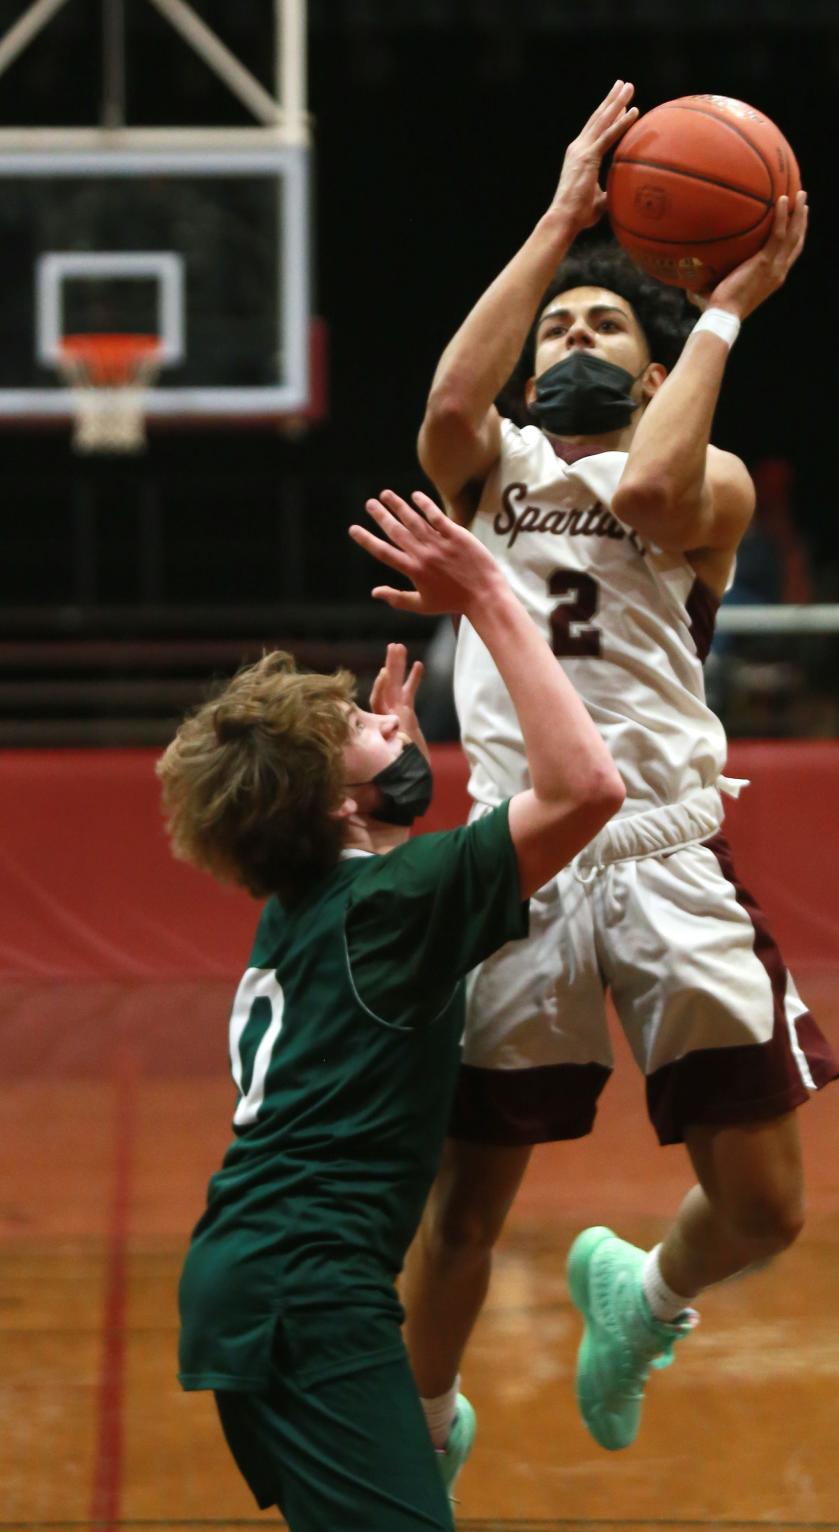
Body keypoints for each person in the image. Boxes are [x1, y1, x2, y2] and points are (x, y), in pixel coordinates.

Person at [404, 79, 839, 1466]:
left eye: (606, 321)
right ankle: (415, 1434)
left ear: (658, 374)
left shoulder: (700, 477)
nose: (576, 335)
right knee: (467, 1204)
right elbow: (448, 399)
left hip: (664, 852)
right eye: (559, 329)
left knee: (768, 1207)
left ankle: (643, 1298)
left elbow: (653, 497)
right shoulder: (493, 466)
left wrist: (721, 305)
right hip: (512, 855)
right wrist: (559, 223)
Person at [157, 488, 624, 1532]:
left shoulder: (311, 902)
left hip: (255, 1274)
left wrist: (386, 776)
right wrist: (490, 600)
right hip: (310, 1291)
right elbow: (590, 786)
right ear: (335, 803)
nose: (380, 713)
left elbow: (402, 901)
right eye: (355, 728)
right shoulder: (392, 903)